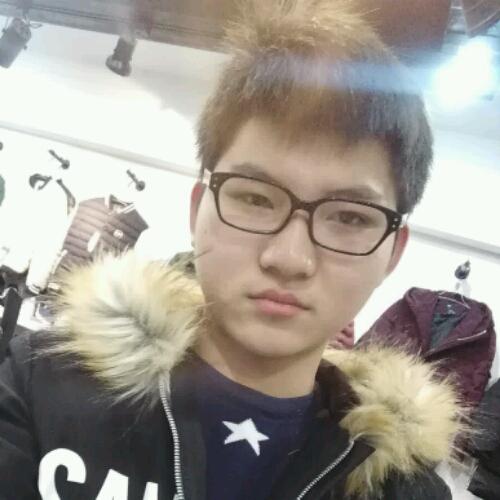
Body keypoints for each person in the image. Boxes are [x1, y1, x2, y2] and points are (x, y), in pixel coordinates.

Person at [0, 1, 463, 499]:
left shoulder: (400, 489)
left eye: (350, 218)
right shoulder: (44, 381)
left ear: (393, 252)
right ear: (197, 209)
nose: (289, 258)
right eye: (256, 199)